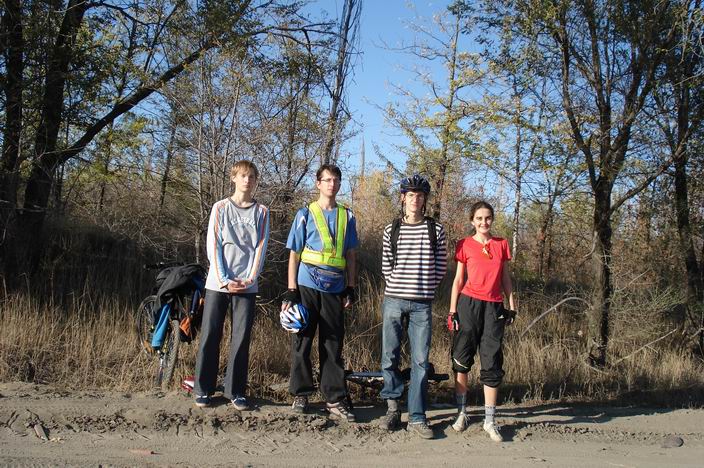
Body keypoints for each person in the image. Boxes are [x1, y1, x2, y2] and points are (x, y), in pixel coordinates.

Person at [282, 164, 358, 422]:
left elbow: (351, 254)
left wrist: (351, 287)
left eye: (336, 180)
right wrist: (291, 290)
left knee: (332, 344)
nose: (332, 184)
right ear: (318, 183)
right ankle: (301, 394)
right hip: (306, 285)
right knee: (302, 340)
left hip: (335, 288)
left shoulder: (347, 216)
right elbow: (294, 254)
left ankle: (334, 398)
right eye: (327, 180)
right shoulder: (305, 213)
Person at [193, 160, 270, 410]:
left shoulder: (262, 212)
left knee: (241, 338)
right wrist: (225, 280)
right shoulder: (220, 208)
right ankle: (203, 389)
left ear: (256, 181)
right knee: (210, 334)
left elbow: (261, 247)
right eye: (243, 175)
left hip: (247, 285)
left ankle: (235, 391)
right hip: (218, 283)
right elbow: (213, 244)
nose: (247, 180)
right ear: (234, 178)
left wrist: (249, 279)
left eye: (252, 176)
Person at [377, 174, 447, 439]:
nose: (415, 199)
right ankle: (392, 409)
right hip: (394, 300)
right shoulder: (391, 229)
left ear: (425, 199)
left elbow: (440, 267)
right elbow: (386, 265)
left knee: (420, 360)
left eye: (420, 195)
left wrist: (425, 288)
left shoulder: (435, 230)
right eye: (410, 195)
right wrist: (397, 284)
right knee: (389, 356)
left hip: (422, 304)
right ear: (403, 198)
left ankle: (417, 417)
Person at [448, 200, 516, 442]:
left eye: (487, 218)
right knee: (462, 359)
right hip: (468, 305)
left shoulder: (501, 244)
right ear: (472, 221)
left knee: (492, 360)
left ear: (492, 219)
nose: (483, 222)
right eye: (479, 218)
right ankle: (461, 413)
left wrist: (512, 306)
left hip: (494, 307)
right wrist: (452, 311)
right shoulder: (464, 244)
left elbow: (505, 278)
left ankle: (490, 420)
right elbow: (458, 280)